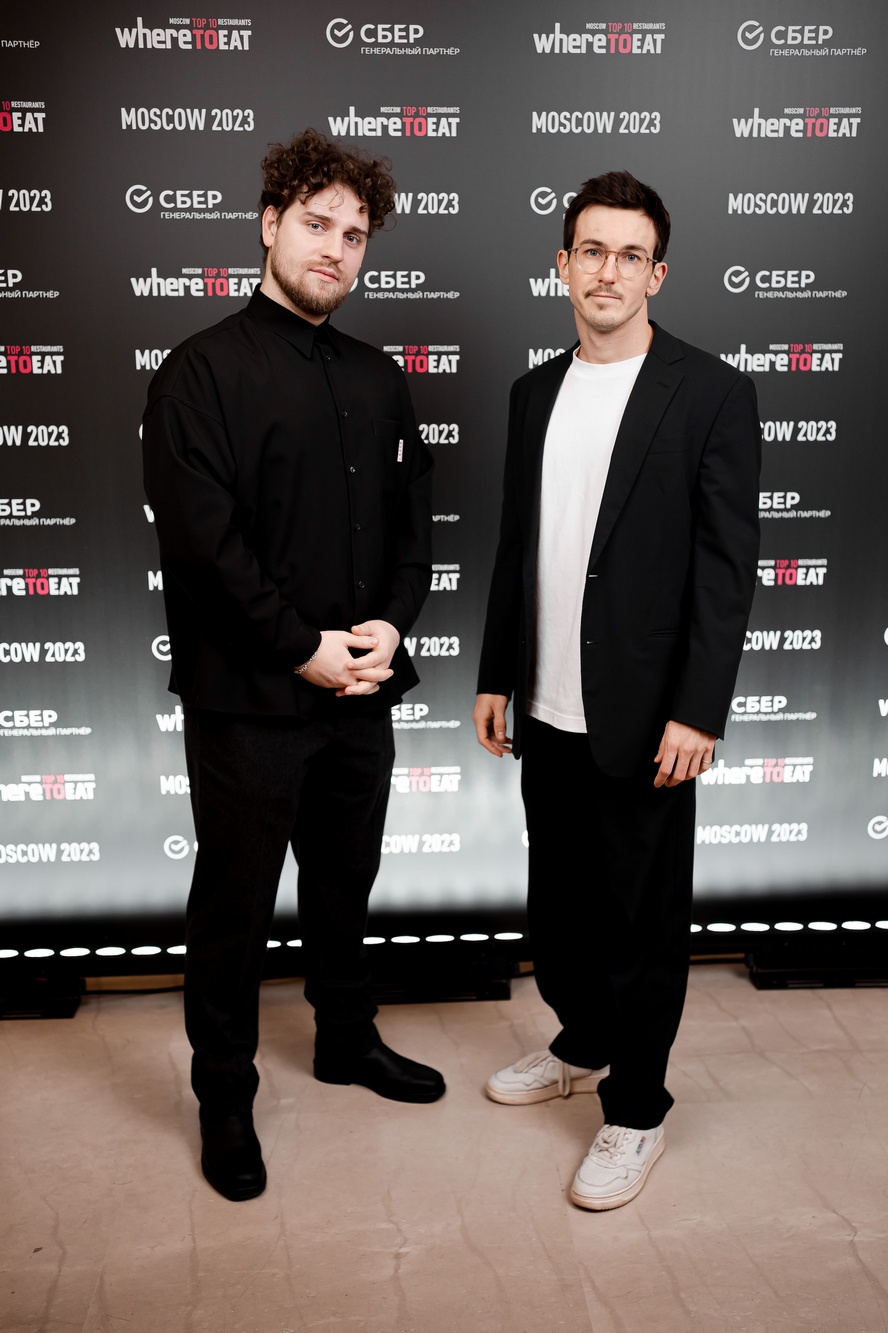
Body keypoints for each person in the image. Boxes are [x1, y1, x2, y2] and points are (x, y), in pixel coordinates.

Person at [142, 129, 442, 1203]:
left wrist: (389, 628)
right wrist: (304, 648)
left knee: (345, 881)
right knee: (234, 905)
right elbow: (204, 547)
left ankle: (345, 1037)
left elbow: (413, 527)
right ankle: (224, 1094)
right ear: (270, 224)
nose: (335, 249)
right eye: (316, 224)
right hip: (249, 701)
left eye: (354, 235)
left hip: (360, 692)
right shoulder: (200, 372)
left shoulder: (378, 377)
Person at [473, 170, 760, 1210]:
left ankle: (636, 1108)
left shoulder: (712, 393)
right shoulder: (532, 393)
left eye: (630, 254)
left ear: (657, 274)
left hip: (648, 716)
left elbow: (726, 570)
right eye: (591, 250)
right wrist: (496, 673)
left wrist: (699, 710)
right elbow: (518, 544)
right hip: (546, 707)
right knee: (561, 908)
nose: (608, 270)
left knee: (642, 923)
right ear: (563, 265)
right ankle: (582, 1042)